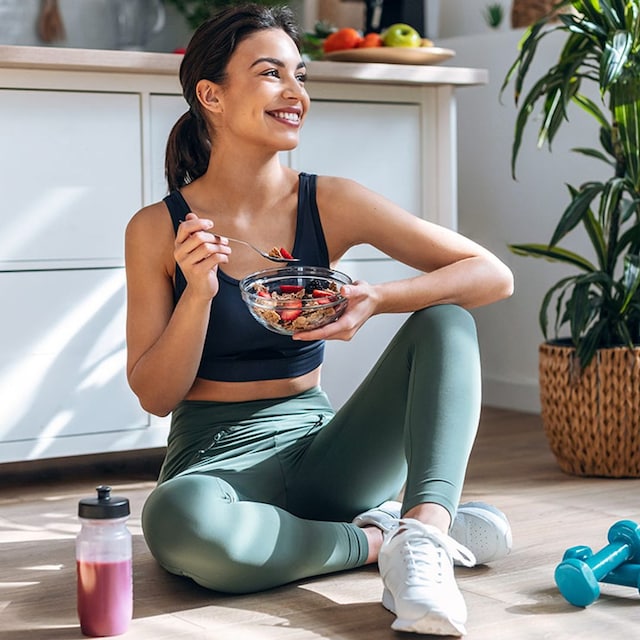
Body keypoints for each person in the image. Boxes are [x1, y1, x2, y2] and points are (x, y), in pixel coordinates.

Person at [124, 3, 514, 636]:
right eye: (271, 73)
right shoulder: (156, 229)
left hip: (326, 455)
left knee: (446, 320)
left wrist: (380, 298)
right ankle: (374, 540)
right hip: (213, 465)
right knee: (178, 521)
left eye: (300, 75)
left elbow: (492, 274)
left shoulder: (328, 201)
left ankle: (426, 535)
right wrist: (197, 293)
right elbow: (156, 395)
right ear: (211, 95)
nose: (296, 92)